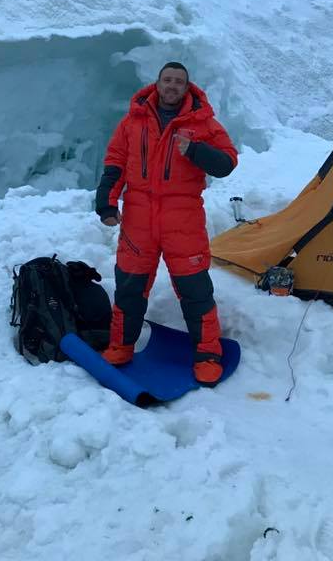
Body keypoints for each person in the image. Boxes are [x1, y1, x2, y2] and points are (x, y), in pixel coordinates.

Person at [95, 62, 238, 385]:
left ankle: (207, 355)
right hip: (138, 220)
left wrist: (196, 150)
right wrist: (106, 202)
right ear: (157, 83)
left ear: (187, 88)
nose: (172, 86)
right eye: (167, 80)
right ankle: (121, 345)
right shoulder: (133, 122)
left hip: (183, 221)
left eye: (179, 82)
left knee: (195, 291)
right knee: (129, 287)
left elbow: (228, 161)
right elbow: (115, 162)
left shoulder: (203, 124)